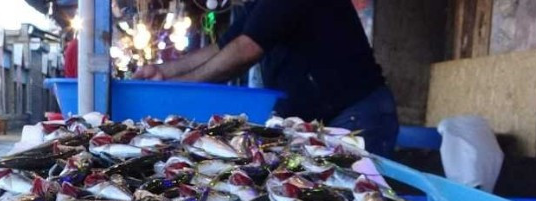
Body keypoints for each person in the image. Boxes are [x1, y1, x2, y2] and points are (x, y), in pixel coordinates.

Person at [134, 0, 399, 156]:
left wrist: (181, 87)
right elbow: (222, 47)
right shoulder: (258, 5)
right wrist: (164, 73)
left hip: (356, 115)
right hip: (322, 119)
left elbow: (245, 50)